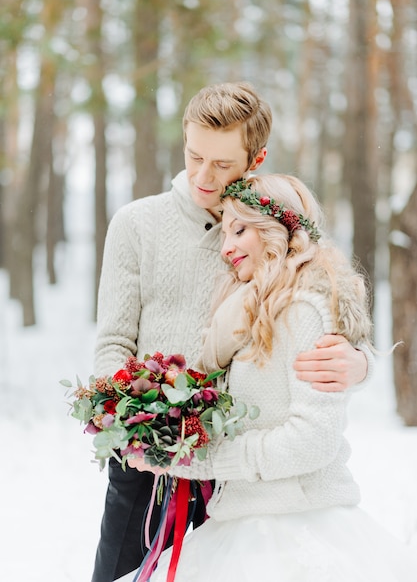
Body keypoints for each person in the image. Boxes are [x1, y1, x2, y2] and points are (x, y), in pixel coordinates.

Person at [92, 82, 371, 582]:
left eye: (222, 165)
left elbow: (324, 299)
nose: (203, 176)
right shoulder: (136, 224)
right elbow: (113, 342)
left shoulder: (271, 226)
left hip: (238, 469)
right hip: (150, 466)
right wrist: (138, 428)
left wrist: (360, 361)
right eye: (194, 156)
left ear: (255, 158)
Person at [126, 173, 417, 582]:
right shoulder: (245, 316)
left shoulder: (304, 310)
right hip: (240, 521)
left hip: (296, 529)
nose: (226, 249)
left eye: (239, 230)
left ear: (277, 229)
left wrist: (202, 463)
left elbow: (312, 440)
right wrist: (170, 448)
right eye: (224, 233)